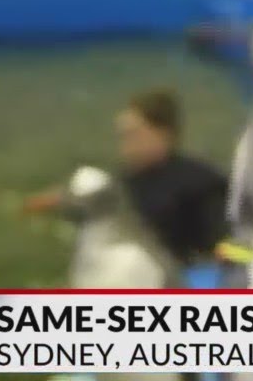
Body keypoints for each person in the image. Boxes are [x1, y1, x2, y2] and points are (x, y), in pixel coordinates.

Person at [27, 88, 230, 266]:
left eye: (133, 135)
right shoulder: (125, 180)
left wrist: (227, 252)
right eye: (122, 136)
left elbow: (224, 241)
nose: (125, 146)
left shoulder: (201, 183)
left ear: (164, 134)